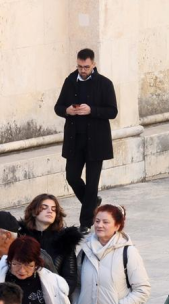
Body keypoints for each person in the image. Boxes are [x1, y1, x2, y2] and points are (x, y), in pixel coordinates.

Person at [75, 204, 151, 304]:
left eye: (105, 222)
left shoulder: (128, 252)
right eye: (97, 221)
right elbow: (76, 285)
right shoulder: (85, 252)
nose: (99, 225)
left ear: (117, 226)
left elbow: (143, 289)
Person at [53, 48, 118, 231]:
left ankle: (86, 222)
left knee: (92, 183)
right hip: (75, 140)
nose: (83, 70)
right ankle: (92, 204)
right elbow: (58, 106)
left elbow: (112, 111)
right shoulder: (70, 81)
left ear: (93, 64)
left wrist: (92, 110)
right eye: (80, 66)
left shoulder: (105, 84)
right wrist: (67, 111)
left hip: (96, 141)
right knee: (72, 176)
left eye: (86, 67)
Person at [19, 194, 83, 296]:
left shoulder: (65, 239)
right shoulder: (21, 236)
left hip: (55, 297)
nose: (50, 211)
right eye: (44, 207)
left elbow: (70, 278)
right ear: (33, 211)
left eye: (54, 209)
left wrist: (57, 296)